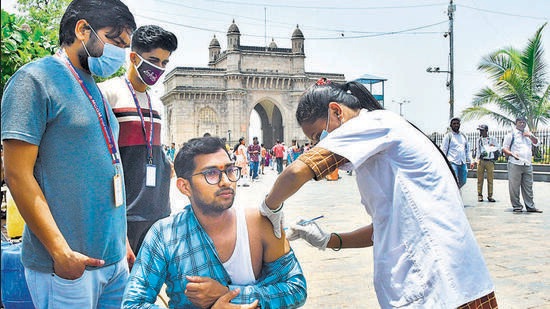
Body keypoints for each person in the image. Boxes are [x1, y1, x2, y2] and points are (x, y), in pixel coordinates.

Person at [259, 79, 497, 308]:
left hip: (442, 285)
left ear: (337, 112)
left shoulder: (371, 124)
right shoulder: (380, 142)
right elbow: (384, 229)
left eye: (317, 136)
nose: (318, 144)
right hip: (453, 284)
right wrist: (328, 240)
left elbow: (296, 172)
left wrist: (269, 208)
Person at [1, 0, 136, 307]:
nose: (120, 53)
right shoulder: (34, 80)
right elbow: (18, 175)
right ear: (82, 29)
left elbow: (108, 170)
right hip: (68, 268)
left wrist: (121, 240)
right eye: (115, 41)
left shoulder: (94, 89)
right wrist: (61, 253)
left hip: (113, 263)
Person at [122, 137, 307, 308]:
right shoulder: (165, 235)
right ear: (184, 186)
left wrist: (230, 294)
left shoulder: (259, 223)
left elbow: (296, 288)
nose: (226, 181)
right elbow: (132, 304)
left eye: (229, 170)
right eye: (211, 173)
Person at [98, 25, 178, 255]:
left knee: (148, 287)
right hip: (125, 214)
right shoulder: (108, 93)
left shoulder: (154, 103)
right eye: (154, 60)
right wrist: (115, 225)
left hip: (157, 212)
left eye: (164, 62)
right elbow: (100, 160)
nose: (159, 68)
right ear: (133, 57)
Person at [502, 117, 542, 213]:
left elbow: (537, 143)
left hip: (527, 164)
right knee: (514, 187)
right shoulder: (511, 134)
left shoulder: (528, 134)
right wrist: (512, 154)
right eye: (520, 122)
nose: (522, 124)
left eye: (524, 122)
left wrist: (531, 136)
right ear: (516, 123)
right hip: (515, 163)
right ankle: (517, 206)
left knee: (528, 186)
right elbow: (504, 148)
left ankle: (530, 206)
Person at [441, 117, 474, 188]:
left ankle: (456, 191)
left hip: (462, 163)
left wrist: (471, 161)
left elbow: (467, 150)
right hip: (452, 163)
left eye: (457, 123)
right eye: (454, 124)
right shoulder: (448, 136)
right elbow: (443, 150)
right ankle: (455, 196)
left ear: (460, 125)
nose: (456, 125)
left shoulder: (464, 136)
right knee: (453, 181)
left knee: (463, 181)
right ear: (451, 125)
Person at [473, 124, 500, 202]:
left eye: (482, 130)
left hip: (489, 161)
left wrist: (492, 147)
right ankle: (479, 195)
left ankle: (490, 195)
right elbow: (478, 150)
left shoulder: (492, 139)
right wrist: (476, 160)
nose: (481, 132)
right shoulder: (479, 139)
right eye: (480, 130)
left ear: (486, 131)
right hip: (481, 160)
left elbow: (498, 148)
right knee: (480, 179)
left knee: (490, 179)